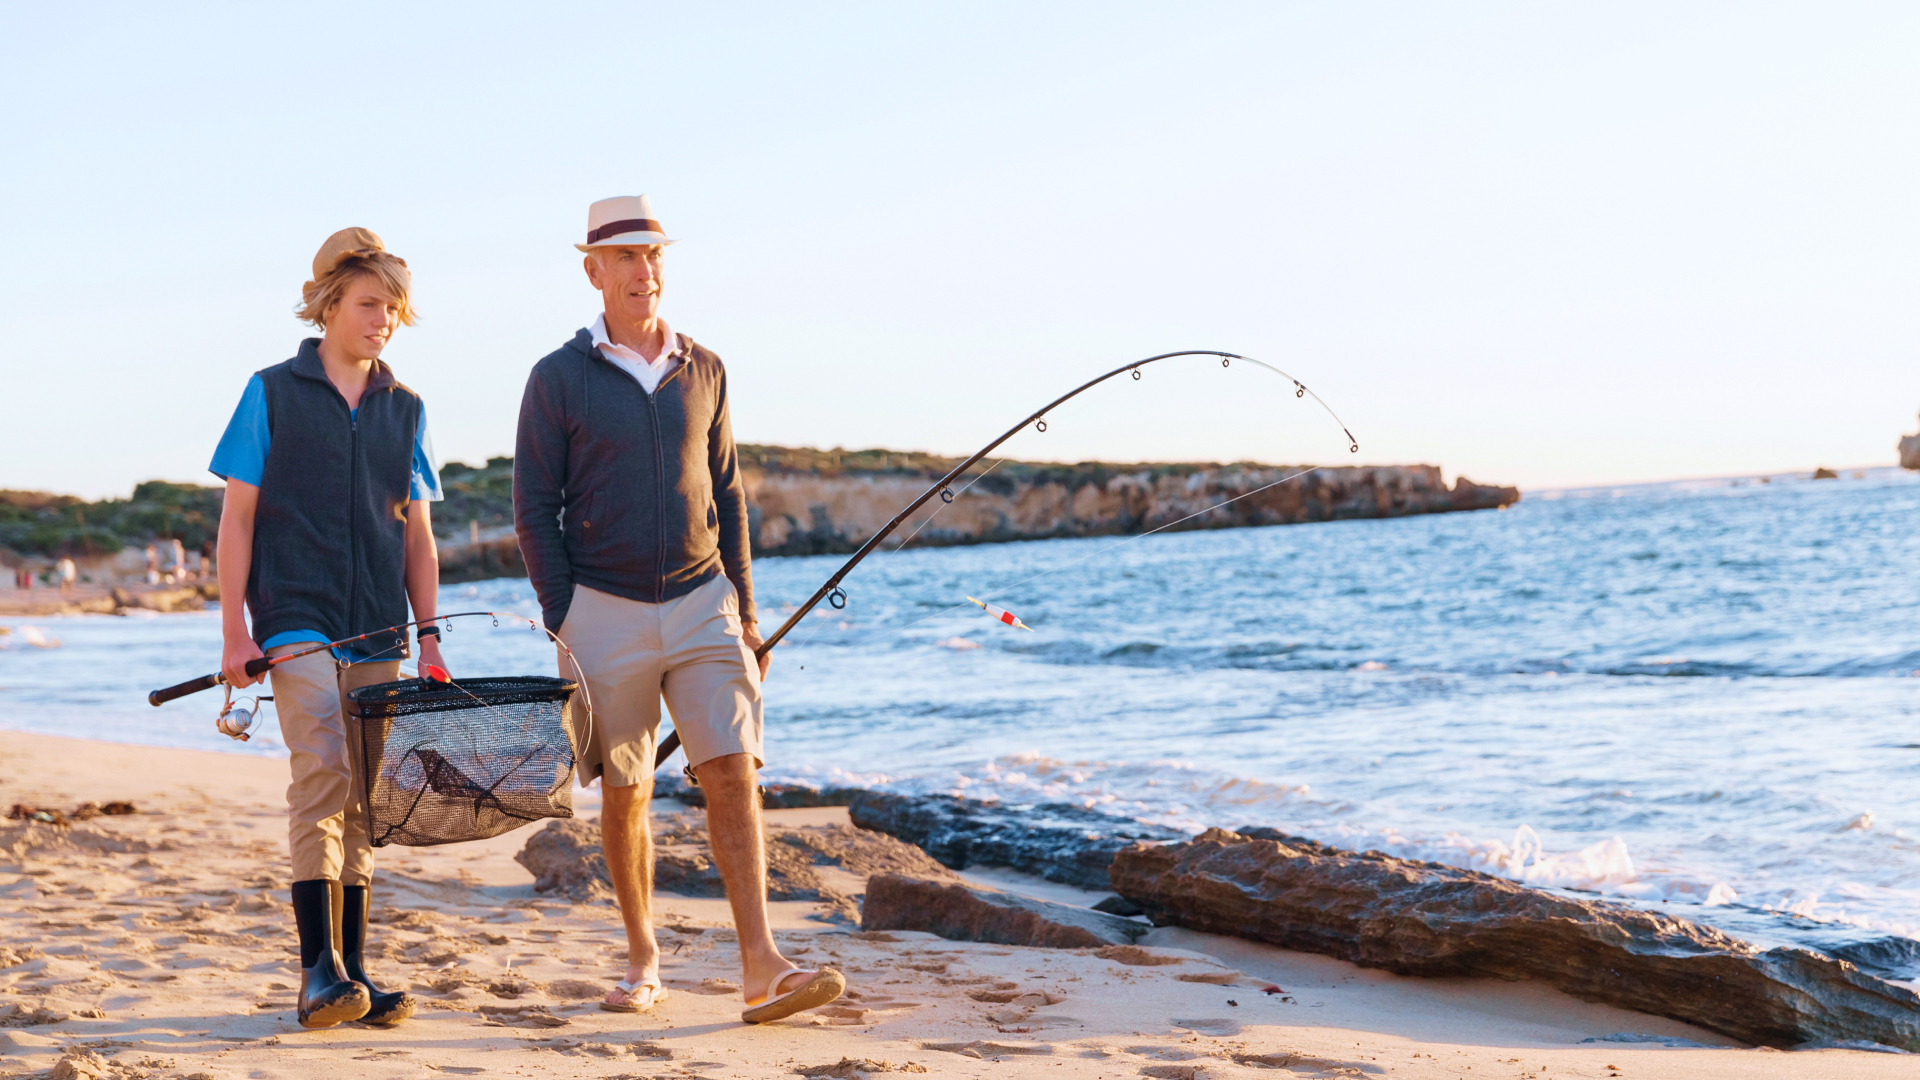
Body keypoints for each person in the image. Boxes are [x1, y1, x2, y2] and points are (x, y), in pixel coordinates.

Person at [515, 195, 844, 1023]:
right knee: (626, 790)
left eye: (654, 254)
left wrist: (746, 612)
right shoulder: (556, 377)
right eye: (626, 256)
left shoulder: (706, 368)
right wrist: (566, 615)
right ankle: (642, 959)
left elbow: (728, 495)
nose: (644, 270)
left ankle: (762, 964)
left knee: (733, 769)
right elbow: (534, 509)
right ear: (593, 270)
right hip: (601, 611)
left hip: (705, 603)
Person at [209, 228, 447, 1030]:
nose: (384, 321)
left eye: (395, 309)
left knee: (364, 793)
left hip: (378, 623)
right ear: (329, 305)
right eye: (370, 304)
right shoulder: (271, 392)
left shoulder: (406, 409)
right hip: (294, 614)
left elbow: (417, 535)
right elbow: (237, 519)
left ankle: (355, 971)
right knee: (322, 768)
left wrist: (430, 637)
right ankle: (318, 970)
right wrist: (235, 632)